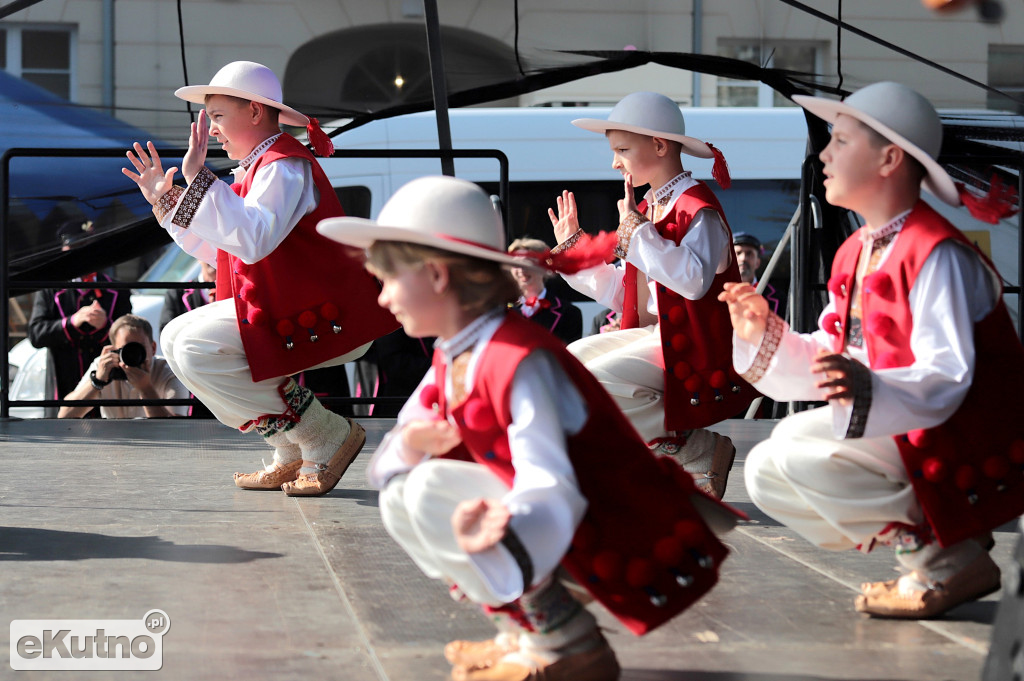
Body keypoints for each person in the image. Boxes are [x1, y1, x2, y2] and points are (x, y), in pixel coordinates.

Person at [317, 175, 741, 681]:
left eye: (387, 280)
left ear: (435, 275)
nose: (383, 298)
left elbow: (553, 486)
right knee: (404, 494)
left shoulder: (518, 359)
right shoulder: (460, 351)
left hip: (602, 527)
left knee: (427, 491)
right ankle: (525, 638)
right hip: (558, 519)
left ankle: (568, 644)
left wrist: (501, 527)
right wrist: (411, 444)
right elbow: (386, 465)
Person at [723, 81, 1024, 619]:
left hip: (958, 438)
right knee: (767, 465)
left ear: (889, 158)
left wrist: (869, 388)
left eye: (839, 141)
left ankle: (946, 557)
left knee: (794, 454)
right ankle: (945, 546)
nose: (823, 154)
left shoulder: (937, 254)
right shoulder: (856, 250)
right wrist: (764, 336)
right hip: (911, 425)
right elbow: (838, 352)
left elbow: (948, 374)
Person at [122, 60, 398, 496]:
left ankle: (321, 434)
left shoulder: (284, 166)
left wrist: (197, 182)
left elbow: (250, 240)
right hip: (291, 310)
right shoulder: (259, 169)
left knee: (191, 344)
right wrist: (168, 200)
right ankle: (290, 449)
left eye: (217, 116)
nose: (212, 130)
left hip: (318, 315)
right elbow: (222, 248)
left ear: (254, 111)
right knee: (176, 341)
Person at [548, 91, 755, 499]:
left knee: (599, 381)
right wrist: (574, 251)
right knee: (566, 370)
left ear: (659, 145)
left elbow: (693, 281)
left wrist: (638, 232)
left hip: (697, 346)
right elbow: (626, 293)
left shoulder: (699, 208)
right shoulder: (650, 207)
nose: (615, 162)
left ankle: (692, 447)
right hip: (661, 338)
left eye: (622, 149)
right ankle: (682, 451)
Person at [28, 220, 133, 404]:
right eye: (74, 247)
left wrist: (107, 327)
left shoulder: (118, 289)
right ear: (63, 251)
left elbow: (130, 340)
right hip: (63, 384)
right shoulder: (50, 289)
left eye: (85, 247)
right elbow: (36, 334)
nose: (81, 254)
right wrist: (72, 322)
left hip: (107, 389)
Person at [59, 314, 190, 419]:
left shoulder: (170, 371)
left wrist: (146, 389)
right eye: (126, 350)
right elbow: (64, 416)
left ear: (153, 348)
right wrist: (97, 381)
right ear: (114, 351)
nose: (132, 355)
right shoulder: (104, 367)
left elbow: (175, 430)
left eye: (139, 349)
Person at [507, 237, 583, 345]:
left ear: (545, 267)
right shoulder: (501, 310)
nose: (521, 270)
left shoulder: (569, 312)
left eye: (528, 263)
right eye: (516, 264)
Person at [159, 258, 217, 334]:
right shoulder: (176, 294)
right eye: (208, 250)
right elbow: (166, 333)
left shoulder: (236, 291)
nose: (214, 256)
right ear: (197, 257)